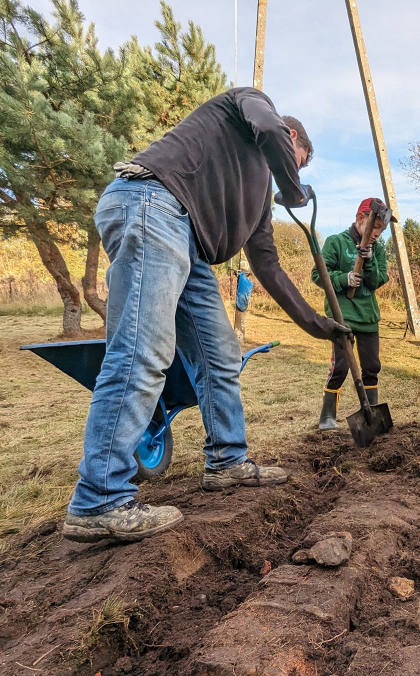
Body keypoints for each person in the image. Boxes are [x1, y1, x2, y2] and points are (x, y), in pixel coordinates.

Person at [62, 87, 350, 544]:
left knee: (220, 355)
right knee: (144, 354)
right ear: (293, 136)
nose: (294, 172)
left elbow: (268, 267)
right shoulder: (252, 104)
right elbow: (270, 129)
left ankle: (227, 461)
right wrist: (295, 190)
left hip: (188, 241)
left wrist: (316, 324)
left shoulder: (257, 202)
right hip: (151, 203)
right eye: (300, 160)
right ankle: (98, 498)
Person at [311, 198, 392, 430]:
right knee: (341, 366)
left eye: (381, 229)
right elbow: (319, 274)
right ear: (360, 219)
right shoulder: (336, 242)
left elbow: (377, 281)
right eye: (374, 227)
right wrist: (342, 278)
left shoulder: (377, 250)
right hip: (342, 316)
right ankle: (327, 416)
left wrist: (368, 262)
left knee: (372, 367)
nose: (377, 233)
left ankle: (372, 413)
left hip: (368, 317)